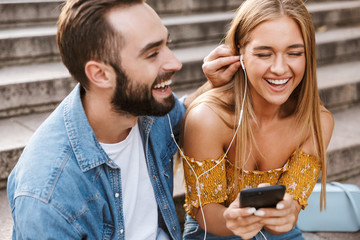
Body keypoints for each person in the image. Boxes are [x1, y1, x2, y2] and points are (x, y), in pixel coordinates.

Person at [6, 0, 235, 239]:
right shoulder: (49, 197)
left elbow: (181, 113)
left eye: (168, 44)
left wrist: (213, 85)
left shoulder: (144, 109)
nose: (175, 63)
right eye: (152, 53)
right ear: (100, 74)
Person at [180, 0, 334, 239]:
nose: (280, 68)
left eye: (294, 53)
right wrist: (232, 220)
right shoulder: (208, 118)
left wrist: (285, 214)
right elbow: (205, 212)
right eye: (264, 54)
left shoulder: (317, 123)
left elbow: (288, 213)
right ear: (239, 53)